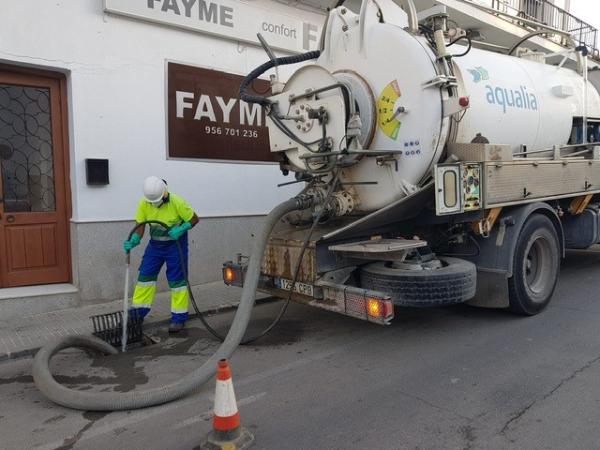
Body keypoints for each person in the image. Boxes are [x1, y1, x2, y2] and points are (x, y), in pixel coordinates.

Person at [123, 176, 199, 333]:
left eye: (156, 200)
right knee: (145, 277)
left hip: (175, 245)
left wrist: (181, 228)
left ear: (164, 192)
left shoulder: (177, 201)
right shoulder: (145, 202)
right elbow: (140, 224)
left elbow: (194, 219)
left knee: (177, 281)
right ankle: (137, 314)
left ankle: (179, 318)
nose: (154, 204)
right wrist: (135, 239)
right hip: (155, 246)